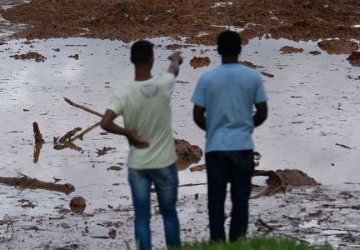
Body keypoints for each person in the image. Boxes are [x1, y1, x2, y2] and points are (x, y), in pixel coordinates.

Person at [101, 40, 184, 249]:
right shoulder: (163, 83)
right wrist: (175, 58)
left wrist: (127, 132)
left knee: (141, 217)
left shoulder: (124, 93)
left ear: (131, 60)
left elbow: (105, 122)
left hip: (138, 165)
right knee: (169, 214)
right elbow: (173, 70)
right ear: (152, 60)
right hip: (165, 163)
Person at [191, 30, 268, 242]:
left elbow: (197, 115)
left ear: (217, 50)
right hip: (242, 147)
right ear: (240, 50)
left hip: (216, 149)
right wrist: (245, 127)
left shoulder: (208, 78)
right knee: (241, 200)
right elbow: (262, 113)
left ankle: (217, 243)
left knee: (215, 200)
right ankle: (238, 242)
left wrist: (213, 129)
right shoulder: (252, 77)